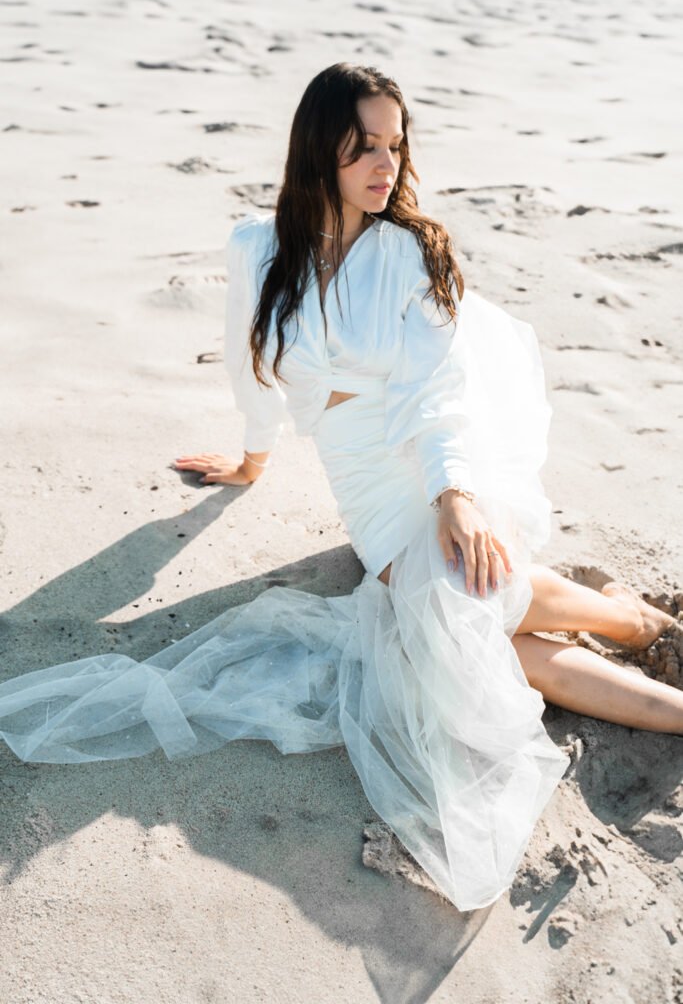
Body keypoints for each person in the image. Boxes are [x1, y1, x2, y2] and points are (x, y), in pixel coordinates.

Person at [1, 64, 680, 914]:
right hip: (363, 482)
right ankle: (632, 619)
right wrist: (250, 462)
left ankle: (641, 633)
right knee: (463, 646)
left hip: (429, 461)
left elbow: (437, 389)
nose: (384, 164)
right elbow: (256, 378)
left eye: (395, 145)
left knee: (457, 617)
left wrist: (453, 495)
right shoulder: (257, 248)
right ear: (319, 148)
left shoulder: (410, 250)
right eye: (364, 146)